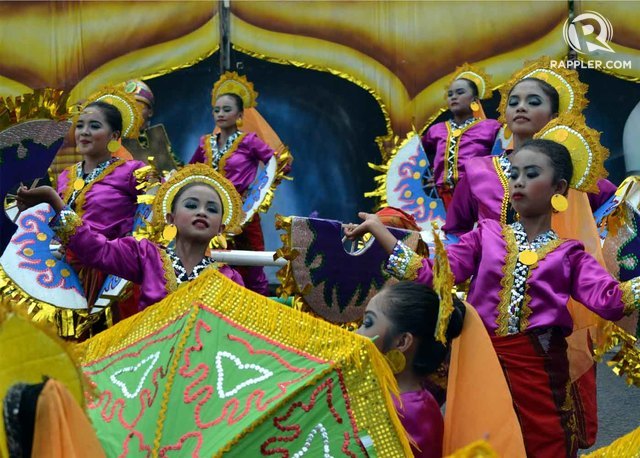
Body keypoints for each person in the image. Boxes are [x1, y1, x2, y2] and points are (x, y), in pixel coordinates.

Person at [345, 139, 639, 457]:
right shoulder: (486, 235)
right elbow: (435, 275)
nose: (519, 181)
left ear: (559, 187)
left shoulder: (569, 254)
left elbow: (611, 302)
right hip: (482, 364)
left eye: (531, 173)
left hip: (540, 374)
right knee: (484, 441)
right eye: (514, 174)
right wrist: (380, 231)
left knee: (544, 444)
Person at [16, 164, 244, 312]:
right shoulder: (145, 254)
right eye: (192, 205)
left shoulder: (228, 277)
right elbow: (94, 250)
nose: (201, 212)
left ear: (221, 228)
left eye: (212, 209)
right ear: (170, 217)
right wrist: (55, 200)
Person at [190, 72, 285, 295]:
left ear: (240, 114)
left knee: (252, 260)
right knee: (213, 258)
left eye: (226, 110)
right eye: (217, 110)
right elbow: (191, 169)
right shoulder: (206, 142)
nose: (220, 114)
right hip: (212, 210)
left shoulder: (248, 141)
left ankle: (257, 304)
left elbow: (277, 163)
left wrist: (261, 192)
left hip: (243, 212)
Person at [356, 281, 465, 458]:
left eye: (367, 323)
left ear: (402, 342)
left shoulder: (406, 411)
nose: (357, 333)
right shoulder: (408, 400)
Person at [421, 64, 501, 208]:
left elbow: (502, 159)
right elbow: (417, 155)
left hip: (476, 197)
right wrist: (432, 176)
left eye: (460, 92)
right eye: (450, 95)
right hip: (441, 199)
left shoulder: (491, 127)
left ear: (474, 99)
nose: (454, 97)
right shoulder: (436, 130)